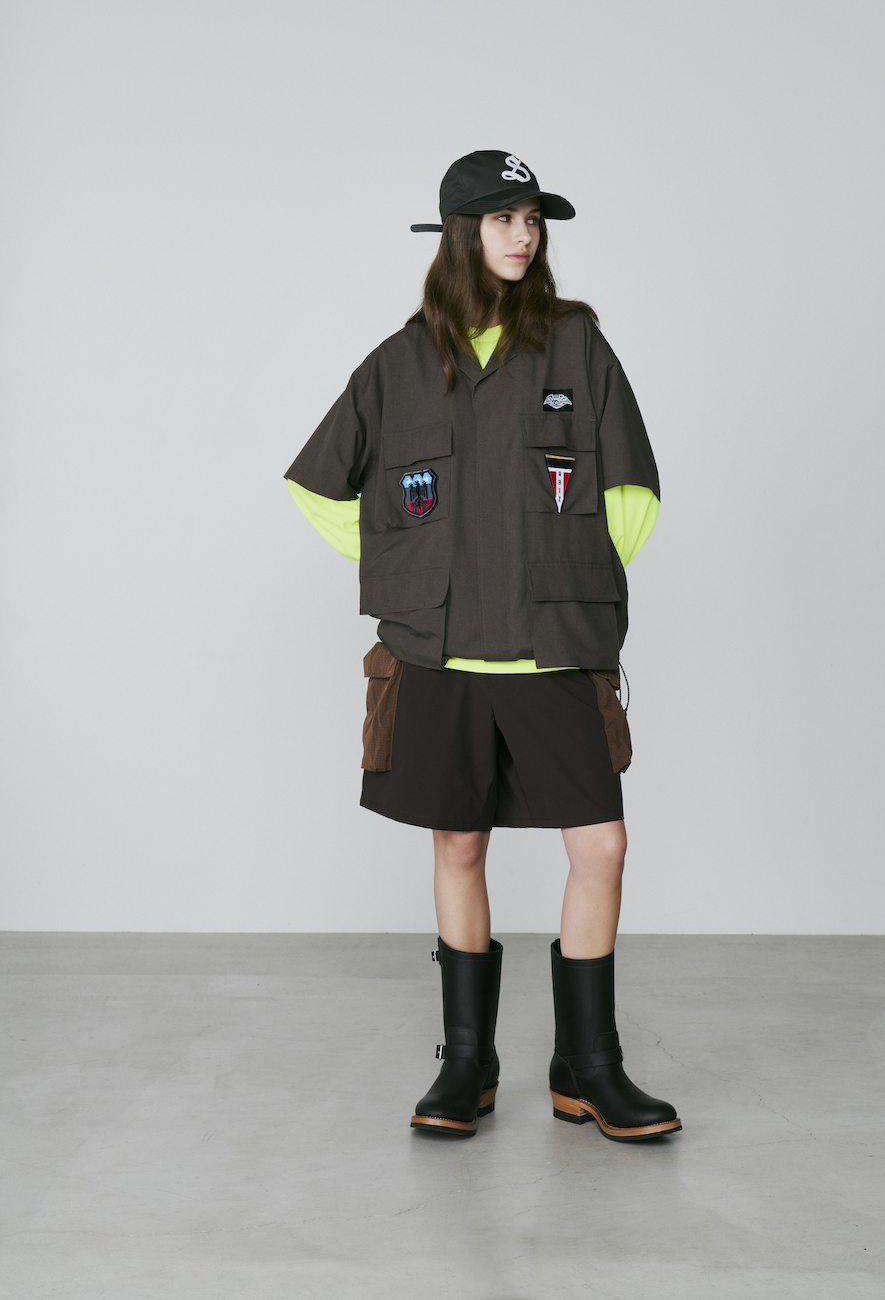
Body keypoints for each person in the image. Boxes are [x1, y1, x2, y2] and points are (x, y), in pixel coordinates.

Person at [285, 150, 681, 1143]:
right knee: (458, 844)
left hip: (553, 649)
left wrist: (563, 574)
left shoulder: (576, 344)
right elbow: (316, 484)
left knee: (601, 846)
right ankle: (467, 1063)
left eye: (533, 220)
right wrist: (414, 569)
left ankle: (588, 1065)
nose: (523, 236)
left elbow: (632, 489)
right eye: (504, 219)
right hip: (440, 657)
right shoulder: (400, 362)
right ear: (460, 233)